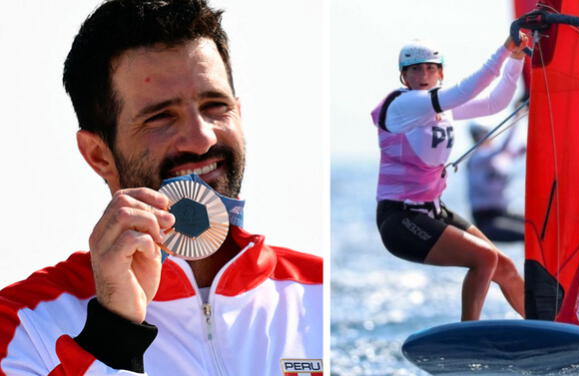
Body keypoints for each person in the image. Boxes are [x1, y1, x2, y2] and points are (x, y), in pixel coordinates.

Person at [0, 1, 322, 374]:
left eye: (215, 106)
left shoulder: (319, 293)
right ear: (99, 155)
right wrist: (113, 332)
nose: (201, 139)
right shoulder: (22, 326)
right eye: (160, 117)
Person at [372, 35, 528, 321]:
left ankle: (546, 327)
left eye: (431, 69)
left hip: (433, 211)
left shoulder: (441, 108)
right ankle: (468, 335)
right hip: (400, 220)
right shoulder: (403, 105)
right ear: (403, 76)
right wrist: (504, 49)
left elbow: (496, 102)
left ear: (440, 73)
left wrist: (516, 59)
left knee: (503, 265)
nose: (423, 75)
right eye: (415, 70)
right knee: (485, 258)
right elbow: (464, 91)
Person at [467, 122, 527, 242]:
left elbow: (514, 152)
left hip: (502, 214)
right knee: (527, 234)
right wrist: (516, 118)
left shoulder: (494, 160)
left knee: (537, 226)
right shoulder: (477, 159)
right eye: (486, 136)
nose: (490, 139)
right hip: (486, 221)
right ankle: (533, 261)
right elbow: (504, 148)